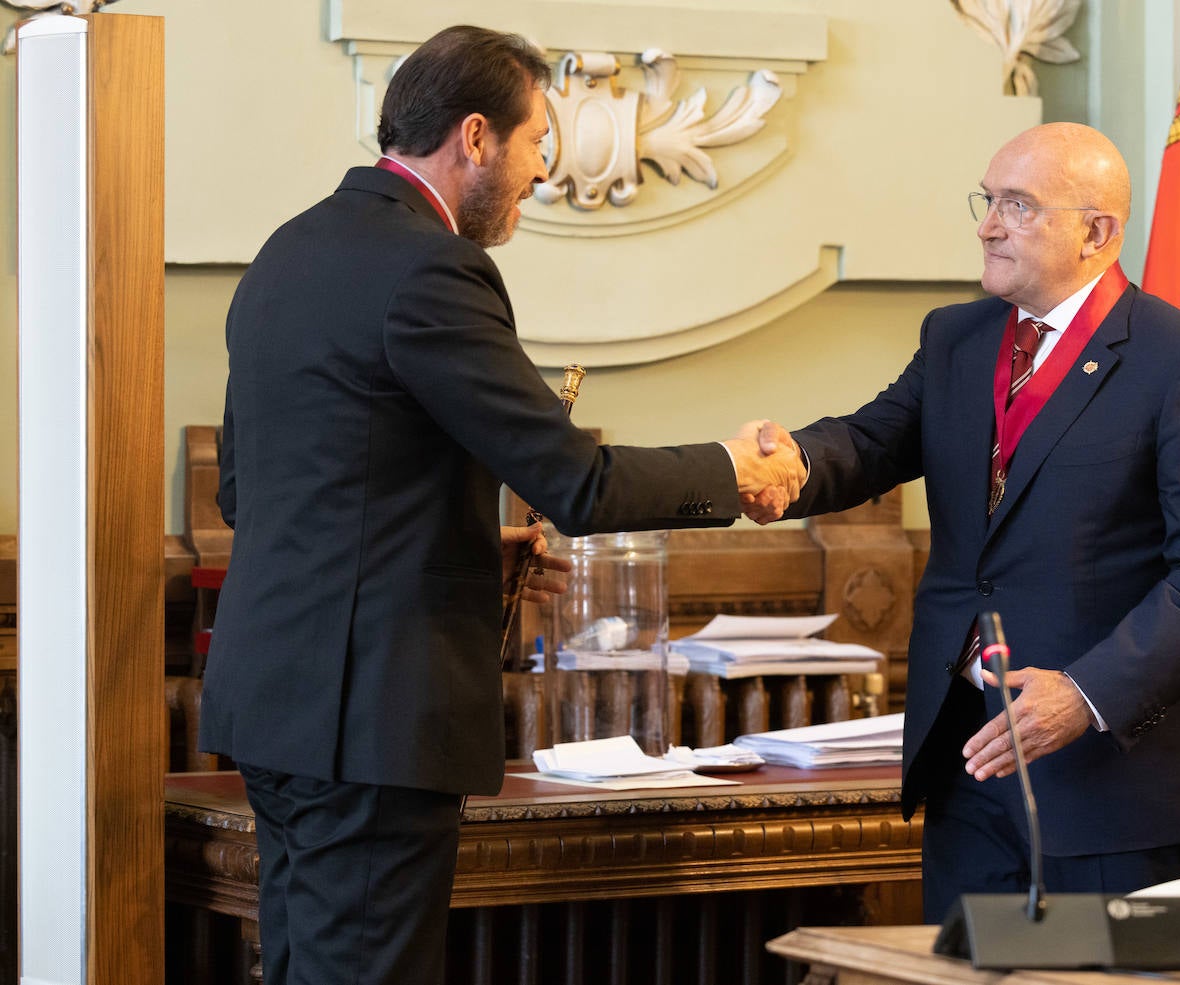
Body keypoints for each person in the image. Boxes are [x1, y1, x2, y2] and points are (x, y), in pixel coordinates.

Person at [198, 25, 804, 985]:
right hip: (372, 720)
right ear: (475, 137)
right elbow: (579, 481)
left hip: (275, 705)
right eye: (535, 145)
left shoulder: (287, 253)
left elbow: (257, 493)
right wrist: (731, 469)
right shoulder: (431, 268)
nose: (542, 173)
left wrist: (465, 543)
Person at [743, 122, 1180, 922]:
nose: (988, 224)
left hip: (1116, 785)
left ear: (1096, 233)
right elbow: (869, 439)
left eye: (1017, 206)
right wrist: (781, 465)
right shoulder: (957, 337)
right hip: (970, 764)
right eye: (988, 201)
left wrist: (1086, 694)